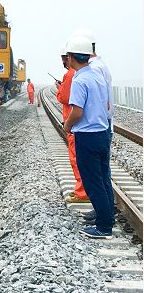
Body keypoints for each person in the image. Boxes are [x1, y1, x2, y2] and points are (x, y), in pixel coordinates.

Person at [63, 35, 113, 239]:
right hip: (102, 132)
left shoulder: (80, 79)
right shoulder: (98, 75)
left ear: (72, 57)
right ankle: (107, 217)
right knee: (104, 179)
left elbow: (77, 112)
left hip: (87, 136)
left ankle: (104, 227)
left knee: (93, 182)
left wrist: (67, 126)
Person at [56, 45, 88, 204]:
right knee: (80, 158)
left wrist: (59, 89)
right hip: (79, 124)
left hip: (74, 123)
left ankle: (82, 192)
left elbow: (64, 97)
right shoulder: (82, 74)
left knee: (76, 158)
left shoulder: (69, 75)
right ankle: (81, 189)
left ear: (68, 58)